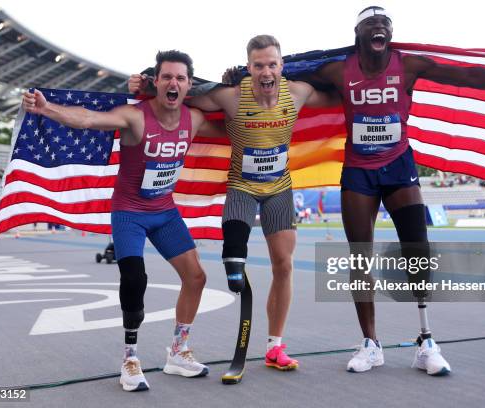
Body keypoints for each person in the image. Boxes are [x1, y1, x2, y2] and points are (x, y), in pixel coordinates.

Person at [311, 6, 485, 375]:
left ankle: (426, 341)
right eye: (372, 24)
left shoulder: (407, 65)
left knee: (417, 249)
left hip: (399, 166)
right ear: (358, 33)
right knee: (360, 257)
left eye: (386, 25)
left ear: (389, 35)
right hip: (359, 172)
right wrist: (243, 77)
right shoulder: (337, 70)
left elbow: (469, 75)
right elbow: (285, 78)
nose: (381, 28)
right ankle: (370, 344)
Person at [129, 34, 338, 371]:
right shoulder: (231, 97)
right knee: (235, 268)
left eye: (272, 64)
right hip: (242, 187)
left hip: (279, 190)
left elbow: (339, 97)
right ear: (249, 68)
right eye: (258, 66)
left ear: (281, 67)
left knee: (283, 265)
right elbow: (181, 95)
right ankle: (233, 265)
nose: (266, 71)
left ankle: (275, 347)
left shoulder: (298, 92)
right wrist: (145, 85)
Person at [23, 50, 222, 392]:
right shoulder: (136, 117)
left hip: (165, 212)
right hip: (129, 212)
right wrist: (47, 109)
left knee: (197, 276)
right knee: (134, 277)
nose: (173, 83)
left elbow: (235, 119)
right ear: (155, 82)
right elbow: (87, 118)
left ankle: (178, 352)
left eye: (180, 78)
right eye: (167, 77)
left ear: (190, 85)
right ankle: (130, 358)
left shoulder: (195, 118)